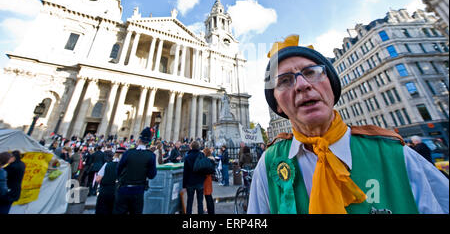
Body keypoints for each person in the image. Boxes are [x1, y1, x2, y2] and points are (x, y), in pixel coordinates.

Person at [248, 34, 449, 214]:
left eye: (311, 72)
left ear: (332, 87)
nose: (302, 85)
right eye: (284, 81)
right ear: (277, 105)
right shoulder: (268, 165)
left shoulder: (397, 156)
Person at [113, 128, 157, 214]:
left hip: (124, 188)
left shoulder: (128, 153)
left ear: (139, 139)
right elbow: (152, 175)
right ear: (149, 142)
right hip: (138, 190)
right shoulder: (151, 156)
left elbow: (118, 169)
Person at [95, 147, 126, 214]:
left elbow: (97, 179)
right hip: (118, 192)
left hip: (105, 191)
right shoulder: (126, 167)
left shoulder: (107, 164)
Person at [182, 141, 206, 214]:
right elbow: (204, 168)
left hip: (190, 182)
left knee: (190, 201)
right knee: (200, 202)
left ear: (191, 147)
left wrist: (184, 185)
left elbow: (185, 172)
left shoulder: (188, 157)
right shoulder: (202, 155)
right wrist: (203, 178)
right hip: (200, 181)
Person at [202, 147, 215, 214]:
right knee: (209, 196)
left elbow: (206, 170)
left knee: (208, 196)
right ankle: (211, 211)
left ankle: (210, 211)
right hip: (208, 179)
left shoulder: (208, 160)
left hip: (206, 179)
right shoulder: (211, 160)